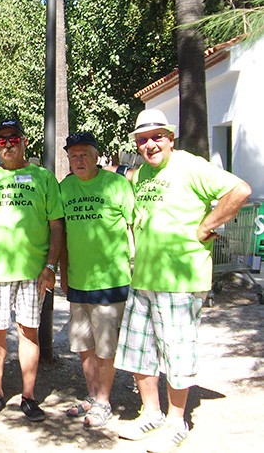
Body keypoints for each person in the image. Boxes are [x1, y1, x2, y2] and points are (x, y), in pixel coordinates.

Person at [115, 109, 251, 452]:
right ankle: (151, 413)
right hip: (143, 276)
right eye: (143, 139)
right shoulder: (143, 173)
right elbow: (127, 181)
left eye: (157, 136)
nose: (150, 144)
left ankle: (177, 421)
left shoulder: (190, 165)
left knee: (176, 352)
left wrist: (207, 226)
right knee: (138, 352)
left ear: (170, 138)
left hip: (180, 279)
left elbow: (240, 190)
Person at [0, 119, 63, 422]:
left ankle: (29, 396)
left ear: (24, 141)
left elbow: (56, 225)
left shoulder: (43, 178)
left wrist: (51, 265)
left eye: (13, 138)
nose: (8, 144)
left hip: (33, 271)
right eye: (1, 140)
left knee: (28, 331)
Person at [58, 132, 134, 428]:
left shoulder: (116, 185)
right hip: (78, 281)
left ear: (96, 156)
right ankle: (92, 395)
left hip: (110, 282)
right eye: (73, 155)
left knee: (106, 347)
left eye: (83, 154)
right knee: (83, 345)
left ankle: (103, 401)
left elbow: (135, 226)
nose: (78, 160)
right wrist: (63, 272)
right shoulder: (66, 187)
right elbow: (61, 233)